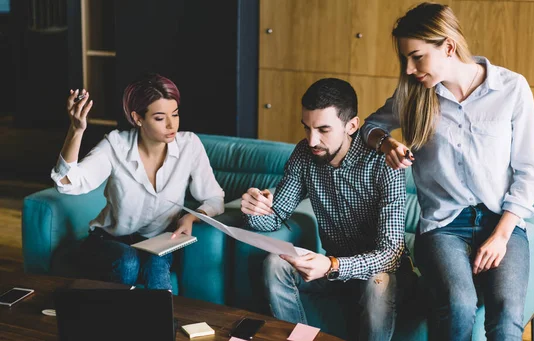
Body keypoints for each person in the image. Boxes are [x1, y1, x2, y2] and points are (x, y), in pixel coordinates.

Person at [361, 2, 534, 340]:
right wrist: (386, 143)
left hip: (499, 220)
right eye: (405, 59)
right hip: (443, 227)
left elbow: (530, 170)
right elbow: (367, 127)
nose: (410, 68)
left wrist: (501, 236)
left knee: (506, 314)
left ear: (447, 46)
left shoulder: (512, 89)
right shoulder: (414, 96)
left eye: (417, 56)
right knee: (459, 304)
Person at [240, 78, 411, 341]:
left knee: (379, 281)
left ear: (352, 125)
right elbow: (275, 217)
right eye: (307, 128)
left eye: (323, 129)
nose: (312, 140)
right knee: (275, 263)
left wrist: (332, 265)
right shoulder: (304, 154)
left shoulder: (383, 163)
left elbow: (390, 255)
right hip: (333, 274)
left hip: (381, 279)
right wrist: (255, 209)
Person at [50, 73, 225, 290]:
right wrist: (76, 130)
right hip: (110, 241)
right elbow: (67, 183)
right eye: (160, 118)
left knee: (157, 263)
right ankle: (115, 321)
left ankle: (161, 324)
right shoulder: (115, 145)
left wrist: (190, 218)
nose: (172, 125)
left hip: (157, 242)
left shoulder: (189, 145)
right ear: (138, 118)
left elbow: (214, 198)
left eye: (176, 114)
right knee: (128, 261)